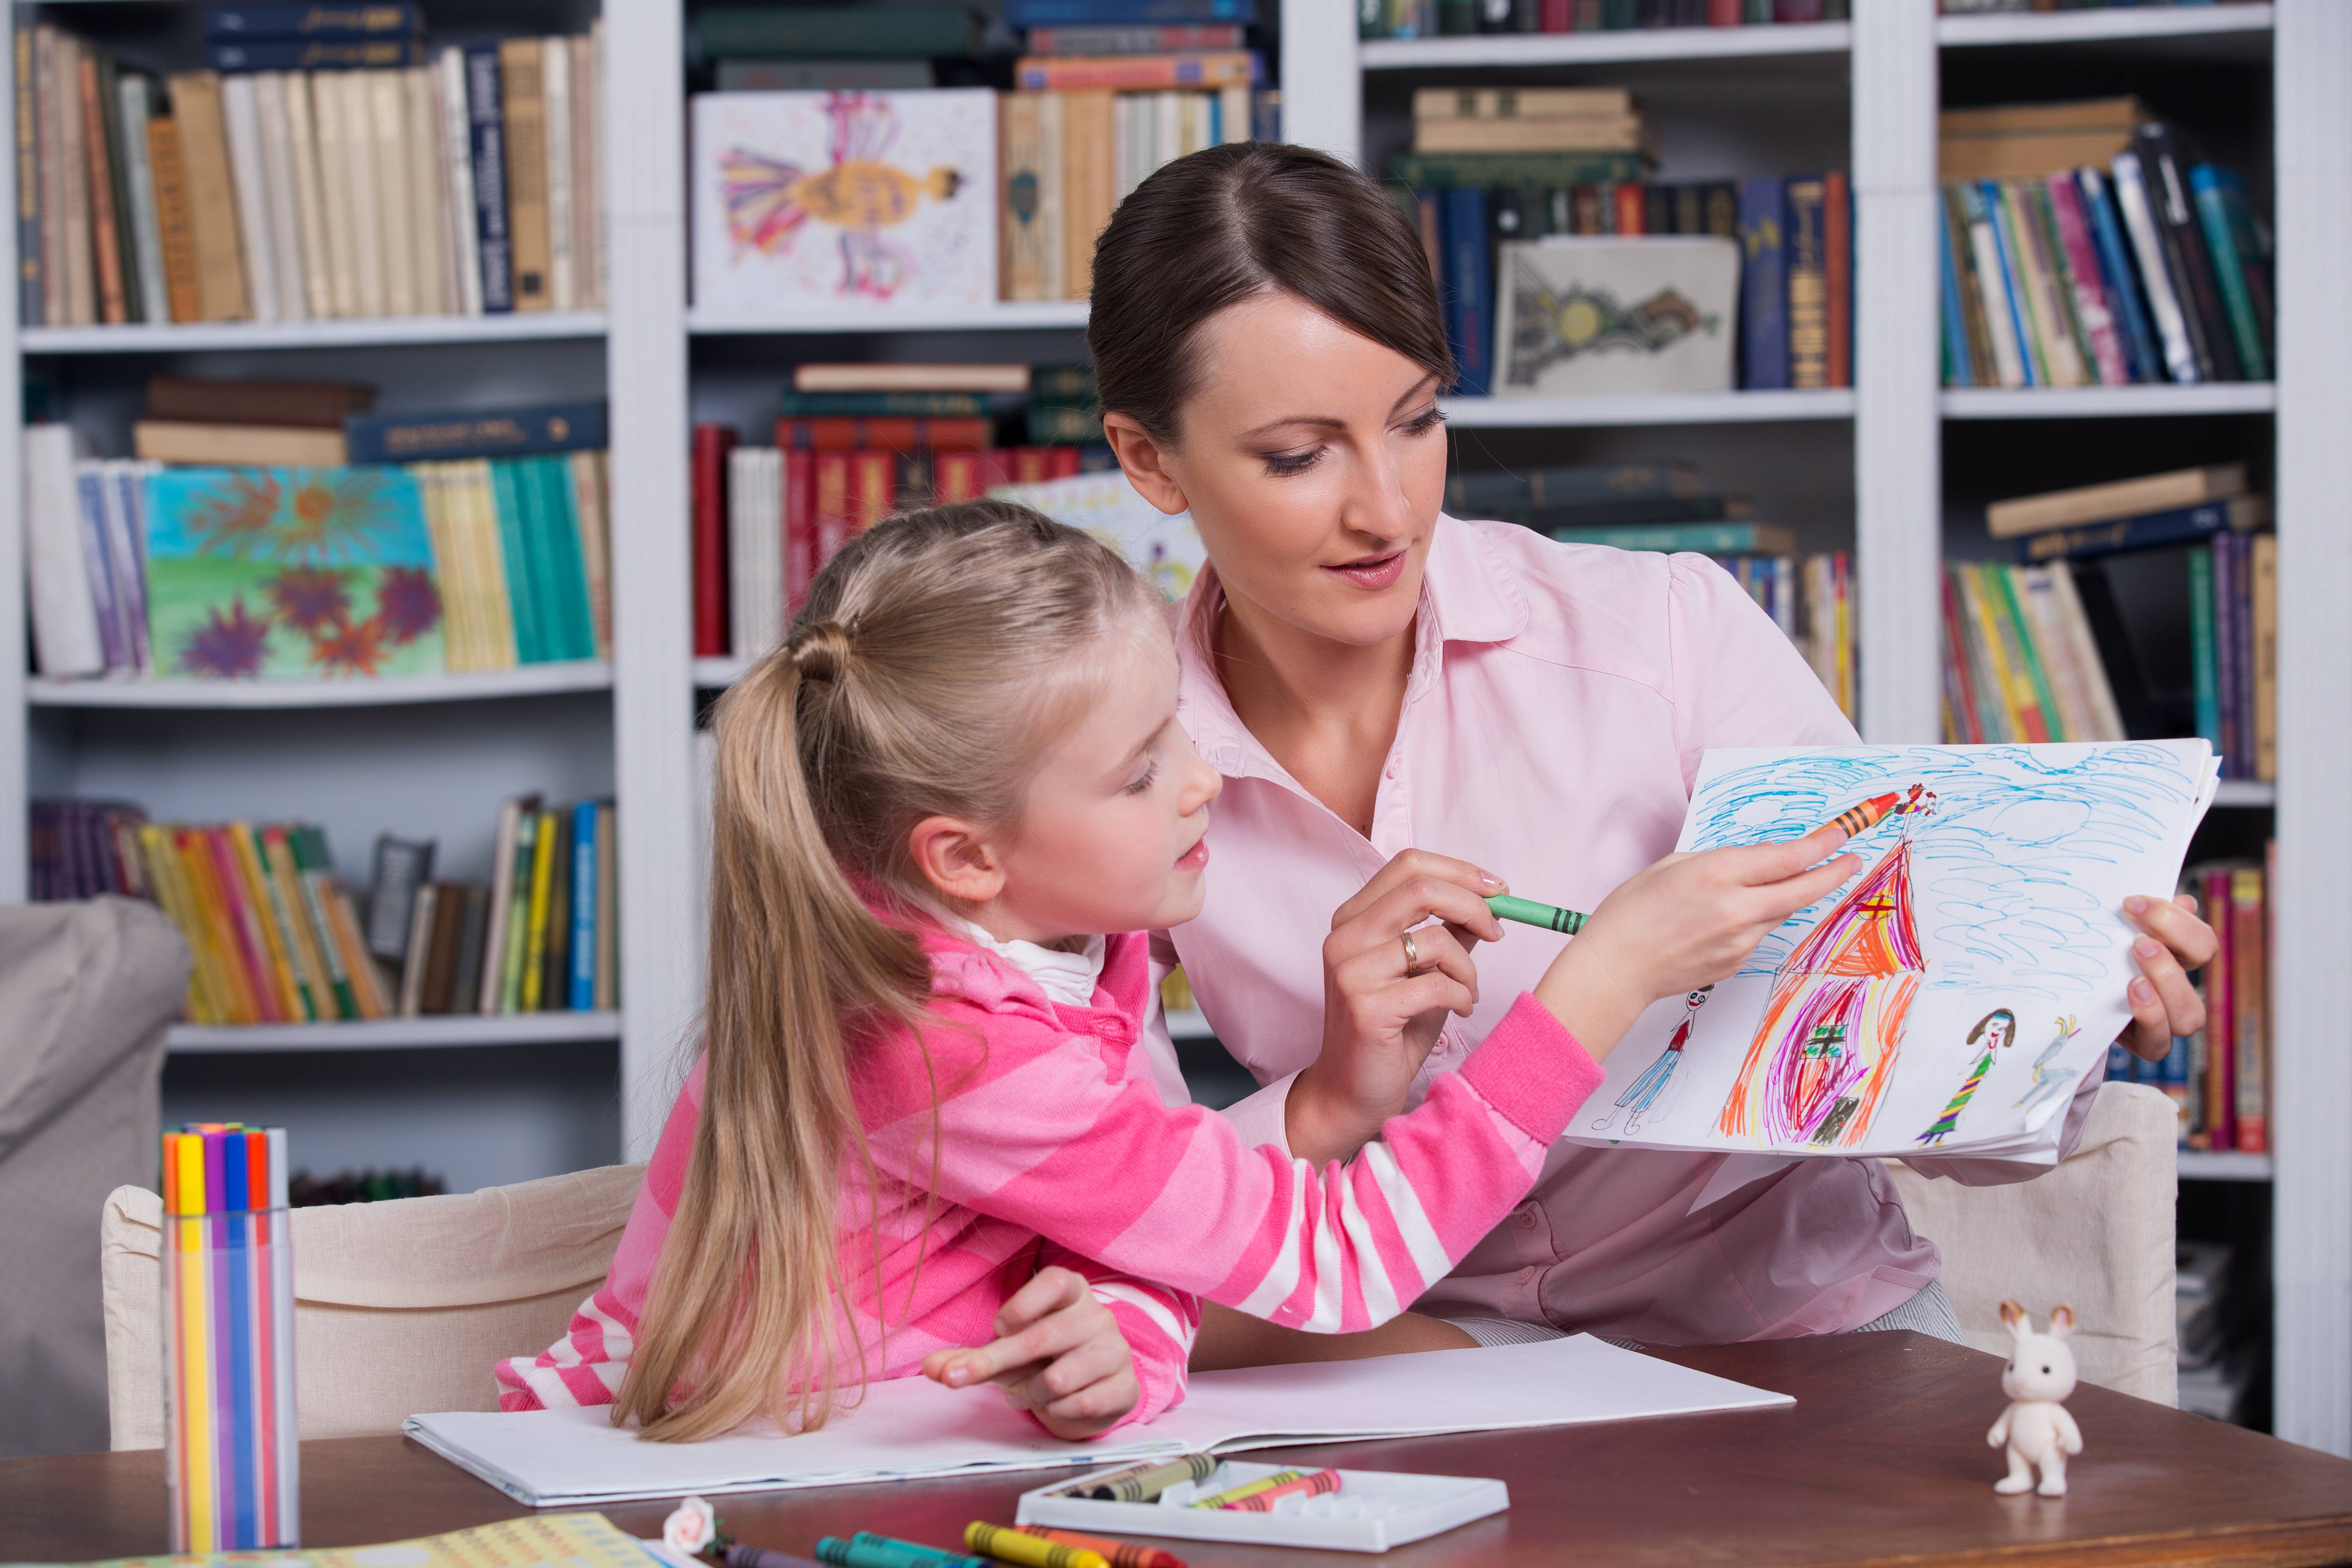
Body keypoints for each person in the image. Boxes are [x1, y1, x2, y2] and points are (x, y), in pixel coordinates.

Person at [1084, 142, 2218, 1360]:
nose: (1389, 509)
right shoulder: (1102, 754)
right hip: (1414, 1352)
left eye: (1417, 421)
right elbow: (1112, 1220)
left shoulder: (1663, 633)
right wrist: (1325, 1108)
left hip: (1792, 1335)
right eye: (1300, 457)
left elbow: (1908, 1069)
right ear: (1149, 460)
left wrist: (2061, 1021)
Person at [494, 502, 1860, 1439]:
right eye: (1144, 766)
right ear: (966, 856)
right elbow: (1334, 1265)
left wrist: (1138, 1338)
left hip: (887, 1449)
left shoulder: (1045, 950)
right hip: (736, 1478)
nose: (1206, 780)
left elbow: (1123, 1229)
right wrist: (1601, 983)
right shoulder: (944, 1038)